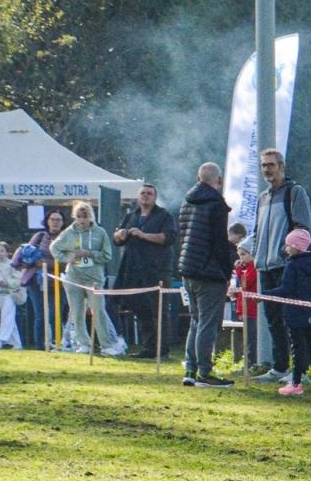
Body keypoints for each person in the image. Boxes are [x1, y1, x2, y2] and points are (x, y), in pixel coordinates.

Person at [251, 150, 311, 382]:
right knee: (273, 320)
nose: (266, 169)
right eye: (263, 166)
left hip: (286, 265)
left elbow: (304, 227)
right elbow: (258, 232)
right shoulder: (262, 197)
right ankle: (280, 367)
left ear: (281, 166)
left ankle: (302, 371)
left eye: (270, 165)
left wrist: (287, 252)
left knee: (293, 319)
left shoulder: (295, 192)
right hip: (264, 266)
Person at [177, 162, 236, 387]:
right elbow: (219, 244)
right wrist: (227, 268)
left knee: (196, 321)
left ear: (197, 177)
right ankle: (205, 372)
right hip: (209, 273)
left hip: (188, 269)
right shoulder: (216, 204)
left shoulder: (187, 201)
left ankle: (190, 370)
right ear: (218, 180)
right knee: (208, 324)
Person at [50, 201, 127, 356]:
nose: (82, 220)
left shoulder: (100, 233)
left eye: (84, 216)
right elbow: (54, 247)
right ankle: (83, 343)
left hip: (94, 278)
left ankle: (106, 345)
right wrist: (67, 258)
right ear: (74, 217)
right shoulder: (69, 232)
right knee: (76, 311)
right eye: (78, 216)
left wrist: (90, 254)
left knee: (98, 310)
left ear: (90, 216)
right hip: (74, 277)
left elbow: (107, 255)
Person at [111, 183, 175, 357]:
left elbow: (168, 238)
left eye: (149, 193)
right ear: (138, 197)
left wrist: (143, 235)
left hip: (157, 271)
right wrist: (120, 234)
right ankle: (149, 348)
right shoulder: (131, 215)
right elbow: (116, 238)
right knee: (140, 309)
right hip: (133, 271)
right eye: (143, 193)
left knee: (158, 310)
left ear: (155, 197)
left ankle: (162, 350)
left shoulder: (164, 216)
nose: (146, 196)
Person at [276, 228, 311, 395]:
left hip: (295, 313)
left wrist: (264, 294)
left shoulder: (292, 265)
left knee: (297, 347)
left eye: (288, 245)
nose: (286, 248)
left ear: (295, 247)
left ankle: (296, 383)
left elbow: (286, 290)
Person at [15, 210, 65, 348]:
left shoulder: (68, 238)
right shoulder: (39, 236)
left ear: (63, 222)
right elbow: (27, 255)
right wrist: (31, 261)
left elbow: (72, 261)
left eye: (59, 219)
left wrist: (46, 263)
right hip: (37, 281)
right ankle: (40, 346)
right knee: (40, 315)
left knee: (55, 314)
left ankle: (57, 343)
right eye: (53, 219)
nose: (55, 222)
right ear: (47, 221)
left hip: (59, 282)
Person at [0, 241, 25, 350]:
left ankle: (0, 339)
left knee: (6, 317)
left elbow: (18, 280)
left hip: (10, 294)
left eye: (2, 251)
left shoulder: (13, 264)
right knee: (9, 318)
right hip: (0, 294)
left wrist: (6, 282)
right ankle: (17, 344)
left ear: (8, 252)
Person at [230, 244, 259, 372]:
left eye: (243, 255)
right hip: (245, 309)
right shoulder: (246, 268)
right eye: (239, 255)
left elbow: (245, 284)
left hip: (252, 310)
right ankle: (248, 363)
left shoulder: (253, 268)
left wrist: (237, 271)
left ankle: (251, 364)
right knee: (247, 339)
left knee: (251, 340)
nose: (241, 258)